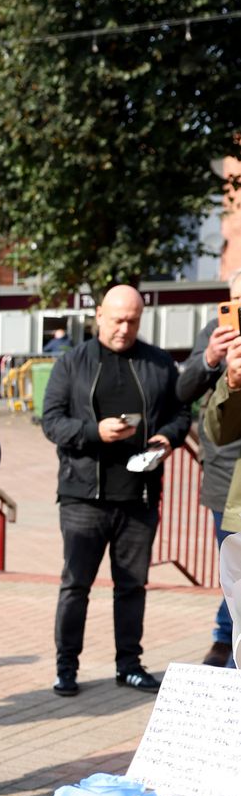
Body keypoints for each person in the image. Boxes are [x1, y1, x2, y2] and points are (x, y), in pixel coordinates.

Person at [40, 283, 190, 696]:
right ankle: (66, 667)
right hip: (83, 496)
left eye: (133, 320)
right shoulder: (72, 362)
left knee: (131, 586)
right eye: (117, 319)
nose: (124, 328)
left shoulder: (158, 363)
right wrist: (95, 432)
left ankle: (129, 664)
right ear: (99, 316)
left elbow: (180, 412)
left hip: (139, 496)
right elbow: (51, 420)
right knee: (76, 586)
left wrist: (167, 439)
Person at [176, 275, 241, 667]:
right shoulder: (212, 332)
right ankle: (225, 637)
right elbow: (184, 391)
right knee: (231, 562)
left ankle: (224, 635)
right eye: (236, 299)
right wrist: (211, 360)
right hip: (225, 472)